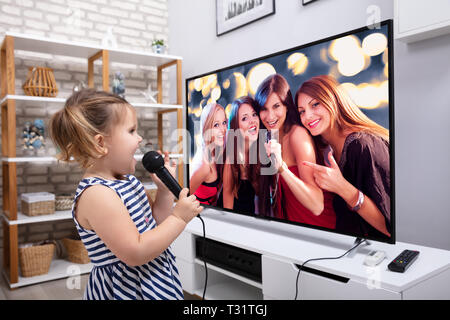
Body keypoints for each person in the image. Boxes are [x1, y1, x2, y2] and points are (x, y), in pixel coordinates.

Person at [49, 89, 203, 300]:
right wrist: (179, 218)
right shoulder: (98, 195)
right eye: (131, 131)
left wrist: (164, 192)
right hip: (127, 289)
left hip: (155, 279)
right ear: (100, 143)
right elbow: (136, 252)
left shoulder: (128, 181)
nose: (139, 138)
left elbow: (157, 224)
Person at [296, 75, 391, 239]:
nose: (308, 116)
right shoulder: (326, 148)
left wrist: (342, 188)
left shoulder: (361, 145)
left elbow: (390, 228)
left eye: (315, 104)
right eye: (302, 111)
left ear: (334, 101)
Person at [254, 74, 336, 229]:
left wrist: (282, 168)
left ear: (287, 106)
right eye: (264, 109)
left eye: (276, 106)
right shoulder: (269, 138)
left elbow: (317, 205)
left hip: (318, 229)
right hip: (294, 231)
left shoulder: (297, 135)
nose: (270, 116)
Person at [222, 96, 272, 215]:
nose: (252, 121)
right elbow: (227, 208)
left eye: (254, 115)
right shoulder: (231, 159)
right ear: (236, 126)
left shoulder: (266, 150)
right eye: (245, 118)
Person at [189, 103, 227, 206]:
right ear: (206, 128)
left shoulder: (217, 152)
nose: (223, 129)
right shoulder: (203, 165)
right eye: (216, 125)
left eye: (224, 122)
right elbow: (184, 199)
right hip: (197, 218)